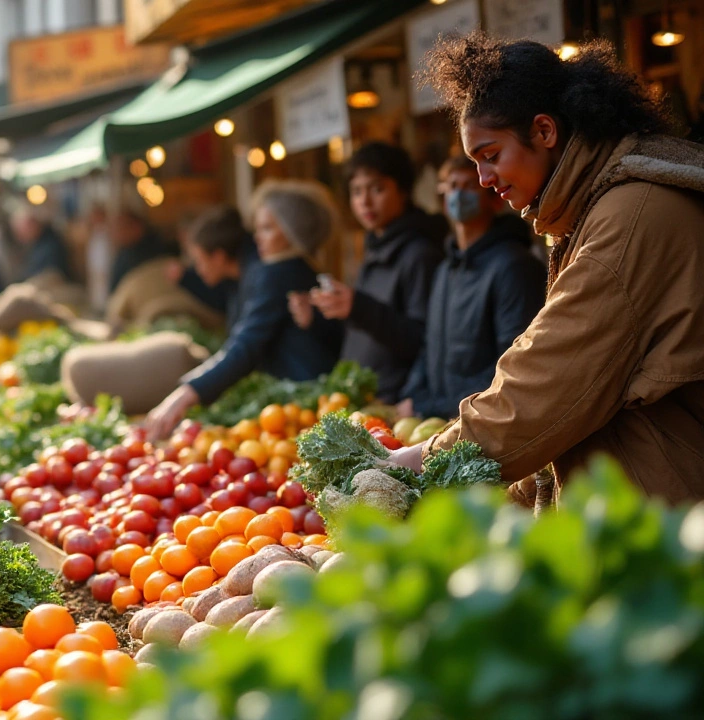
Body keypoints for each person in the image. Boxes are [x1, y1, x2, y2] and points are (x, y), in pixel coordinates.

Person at [389, 33, 704, 504]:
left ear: (544, 131)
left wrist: (420, 460)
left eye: (491, 156)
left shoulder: (631, 215)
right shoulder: (602, 204)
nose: (483, 180)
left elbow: (550, 383)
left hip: (668, 518)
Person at [147, 183, 344, 439]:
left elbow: (246, 344)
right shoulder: (287, 268)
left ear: (290, 230)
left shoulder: (278, 272)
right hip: (306, 397)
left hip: (305, 399)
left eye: (267, 228)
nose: (256, 237)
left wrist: (187, 393)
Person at [292, 142, 446, 402]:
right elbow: (362, 334)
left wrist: (358, 307)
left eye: (377, 189)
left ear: (404, 191)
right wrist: (317, 320)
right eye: (356, 191)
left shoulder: (421, 255)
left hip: (398, 404)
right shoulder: (374, 249)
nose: (365, 201)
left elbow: (424, 340)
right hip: (363, 401)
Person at [398, 155, 546, 420]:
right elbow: (430, 346)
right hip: (442, 423)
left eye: (469, 186)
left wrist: (430, 407)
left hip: (486, 423)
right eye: (452, 186)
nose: (459, 194)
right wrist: (413, 396)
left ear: (495, 199)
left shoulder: (513, 266)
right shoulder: (446, 269)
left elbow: (512, 363)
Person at [108, 203, 172, 292]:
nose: (116, 234)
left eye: (121, 228)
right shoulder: (124, 252)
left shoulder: (155, 250)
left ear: (137, 227)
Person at [10, 204, 75, 282]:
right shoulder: (36, 243)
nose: (20, 237)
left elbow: (49, 274)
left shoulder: (50, 245)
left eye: (21, 232)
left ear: (32, 225)